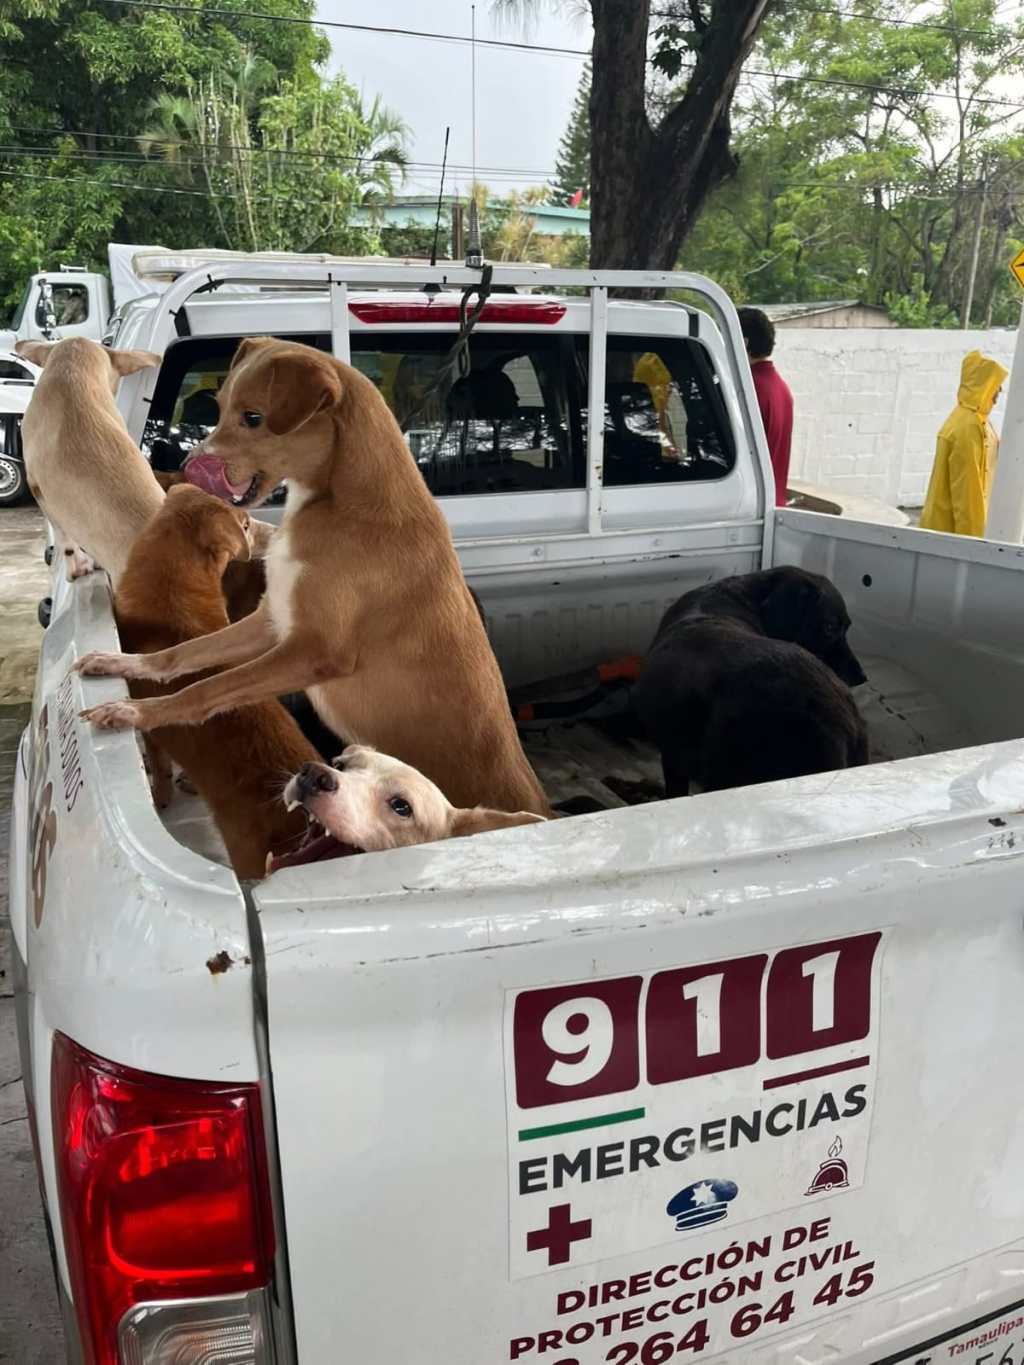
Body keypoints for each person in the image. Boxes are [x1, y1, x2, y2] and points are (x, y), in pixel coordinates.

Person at [920, 350, 1008, 538]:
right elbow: (967, 496)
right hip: (949, 536)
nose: (999, 391)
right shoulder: (969, 428)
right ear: (983, 386)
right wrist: (975, 545)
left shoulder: (971, 419)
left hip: (941, 532)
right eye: (996, 385)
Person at [737, 307, 793, 507]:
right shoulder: (780, 387)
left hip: (748, 508)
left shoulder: (747, 389)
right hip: (772, 503)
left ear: (743, 343)